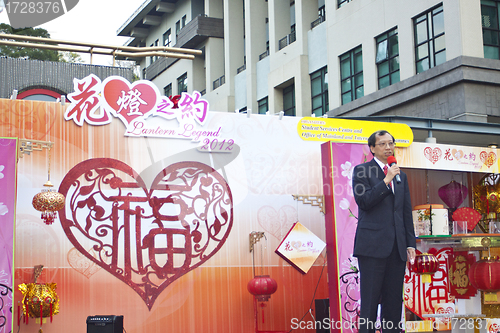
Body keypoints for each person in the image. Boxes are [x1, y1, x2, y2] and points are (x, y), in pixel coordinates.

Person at [352, 130, 416, 333]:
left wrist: (410, 243)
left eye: (391, 143)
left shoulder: (401, 175)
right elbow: (364, 202)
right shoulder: (362, 171)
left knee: (393, 303)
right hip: (372, 247)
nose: (389, 147)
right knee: (370, 303)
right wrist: (386, 180)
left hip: (396, 248)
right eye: (383, 144)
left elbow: (405, 211)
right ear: (372, 148)